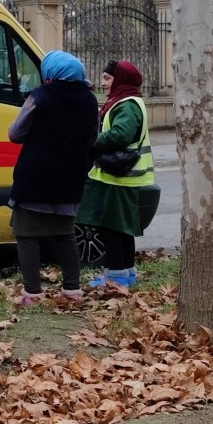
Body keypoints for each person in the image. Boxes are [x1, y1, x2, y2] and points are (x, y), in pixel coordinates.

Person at [7, 50, 99, 305]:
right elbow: (93, 137)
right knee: (65, 234)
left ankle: (32, 292)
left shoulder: (39, 97)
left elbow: (15, 134)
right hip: (71, 175)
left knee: (27, 234)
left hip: (35, 176)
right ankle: (72, 290)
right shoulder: (90, 100)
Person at [76, 58, 155, 292]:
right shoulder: (126, 101)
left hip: (119, 174)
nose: (103, 83)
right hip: (122, 174)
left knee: (110, 226)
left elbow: (121, 135)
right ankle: (127, 274)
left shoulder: (127, 104)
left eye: (108, 78)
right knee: (122, 227)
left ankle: (116, 277)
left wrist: (89, 140)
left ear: (121, 79)